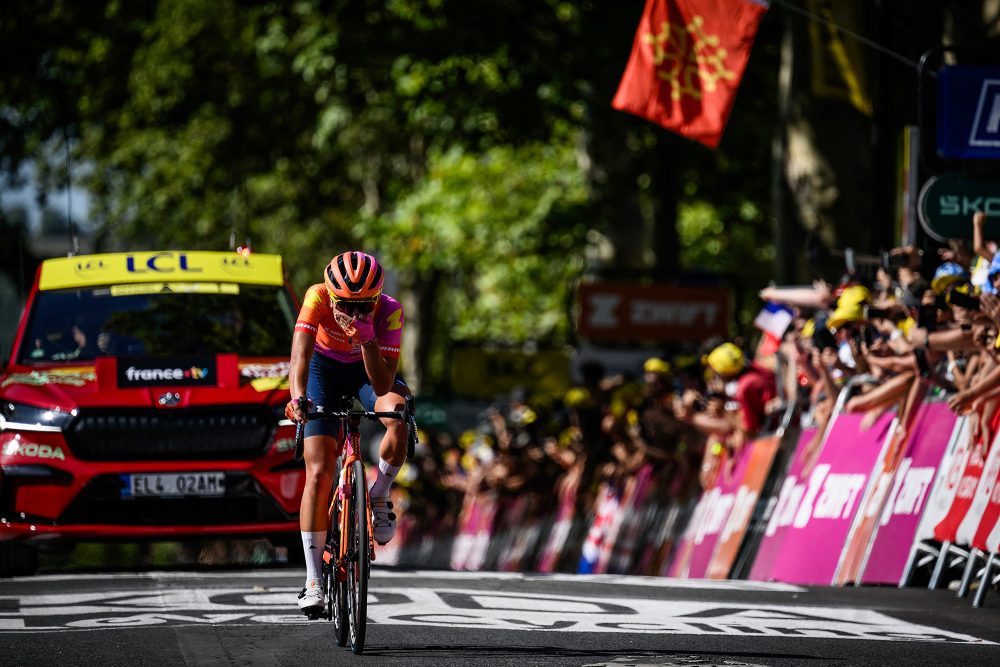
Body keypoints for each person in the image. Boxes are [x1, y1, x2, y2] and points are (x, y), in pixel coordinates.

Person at [284, 250, 412, 616]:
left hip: (368, 370)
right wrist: (297, 398)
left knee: (398, 416)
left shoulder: (390, 311)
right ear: (330, 294)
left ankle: (378, 495)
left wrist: (368, 340)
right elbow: (300, 359)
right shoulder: (317, 297)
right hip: (322, 371)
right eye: (346, 305)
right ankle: (312, 581)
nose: (355, 314)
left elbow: (384, 381)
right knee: (320, 471)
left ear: (377, 300)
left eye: (365, 306)